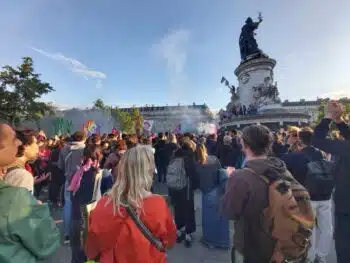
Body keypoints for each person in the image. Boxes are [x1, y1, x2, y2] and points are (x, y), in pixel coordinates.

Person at [221, 125, 299, 263]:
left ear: (244, 145)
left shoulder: (240, 177)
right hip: (281, 241)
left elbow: (230, 212)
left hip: (253, 243)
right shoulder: (282, 168)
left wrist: (231, 180)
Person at [86, 145, 176, 262]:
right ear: (148, 172)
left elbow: (92, 248)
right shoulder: (158, 204)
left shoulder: (103, 204)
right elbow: (169, 241)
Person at [0, 124, 60, 263]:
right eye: (13, 139)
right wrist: (37, 211)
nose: (19, 143)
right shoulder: (20, 182)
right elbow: (45, 241)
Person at [282, 128, 333, 263]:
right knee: (326, 227)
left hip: (307, 197)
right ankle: (321, 256)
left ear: (299, 139)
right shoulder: (321, 154)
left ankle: (309, 257)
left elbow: (280, 163)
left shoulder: (296, 156)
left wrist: (288, 144)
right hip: (325, 195)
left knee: (310, 228)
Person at [312, 101, 350, 263]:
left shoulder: (346, 148)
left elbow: (318, 140)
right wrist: (340, 121)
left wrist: (329, 116)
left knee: (344, 249)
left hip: (346, 207)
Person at [70, 145, 102, 263]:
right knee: (92, 257)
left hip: (76, 218)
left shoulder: (77, 173)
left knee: (77, 257)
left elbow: (71, 194)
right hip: (93, 221)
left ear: (83, 158)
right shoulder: (103, 175)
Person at [196, 144, 230, 249]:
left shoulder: (198, 164)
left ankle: (210, 241)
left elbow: (197, 180)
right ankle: (224, 242)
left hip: (207, 193)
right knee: (221, 219)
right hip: (218, 190)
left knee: (208, 219)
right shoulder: (214, 159)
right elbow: (220, 171)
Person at [58, 131, 86, 244]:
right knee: (81, 207)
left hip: (68, 181)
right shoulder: (85, 148)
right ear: (83, 138)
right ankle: (79, 234)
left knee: (68, 206)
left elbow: (60, 166)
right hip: (81, 181)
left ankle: (67, 235)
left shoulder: (64, 149)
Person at [171, 139, 198, 247]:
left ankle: (179, 231)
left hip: (175, 188)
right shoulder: (190, 157)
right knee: (188, 210)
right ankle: (188, 234)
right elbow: (194, 174)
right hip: (187, 188)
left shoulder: (174, 157)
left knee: (178, 209)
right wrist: (195, 186)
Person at [4, 128, 40, 194]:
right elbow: (22, 203)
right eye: (36, 143)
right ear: (25, 146)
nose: (38, 147)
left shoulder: (6, 168)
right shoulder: (22, 175)